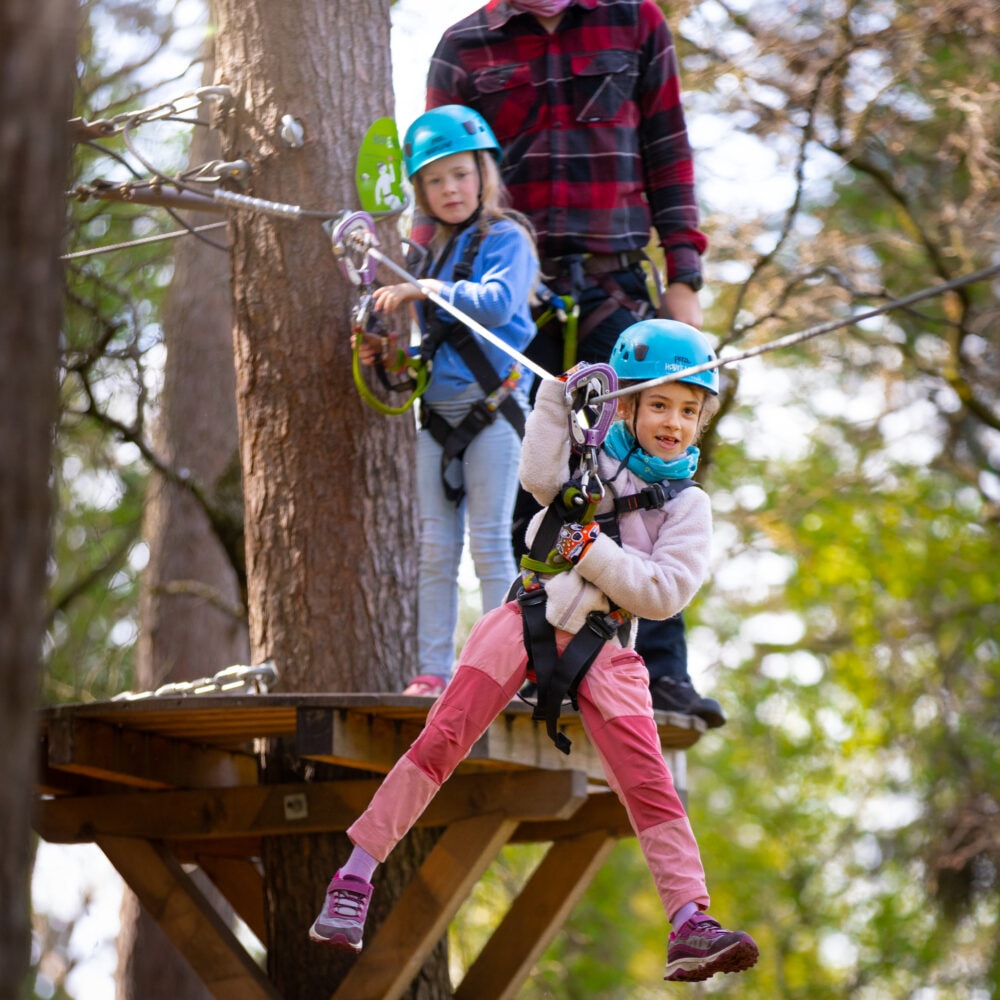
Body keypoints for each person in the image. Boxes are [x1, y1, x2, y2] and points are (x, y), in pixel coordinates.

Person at [309, 320, 759, 984]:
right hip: (528, 617)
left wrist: (593, 551)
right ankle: (355, 876)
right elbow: (542, 477)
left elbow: (663, 593)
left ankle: (690, 921)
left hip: (605, 647)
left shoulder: (688, 507)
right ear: (626, 406)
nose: (673, 422)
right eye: (659, 404)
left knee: (650, 785)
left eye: (688, 411)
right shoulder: (593, 456)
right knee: (443, 737)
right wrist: (558, 399)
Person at [422, 0, 726, 726]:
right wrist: (419, 297)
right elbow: (435, 187)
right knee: (530, 482)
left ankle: (655, 672)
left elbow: (667, 149)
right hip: (504, 292)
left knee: (646, 463)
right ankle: (529, 657)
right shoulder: (464, 47)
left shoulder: (634, 22)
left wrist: (682, 279)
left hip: (614, 287)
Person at [361, 105, 538, 698]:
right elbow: (427, 347)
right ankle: (432, 672)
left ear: (483, 173)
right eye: (435, 180)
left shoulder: (508, 238)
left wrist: (425, 288)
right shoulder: (426, 254)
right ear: (420, 191)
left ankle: (502, 672)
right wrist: (389, 358)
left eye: (460, 174)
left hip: (494, 412)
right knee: (435, 551)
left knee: (491, 543)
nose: (450, 189)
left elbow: (495, 304)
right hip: (436, 417)